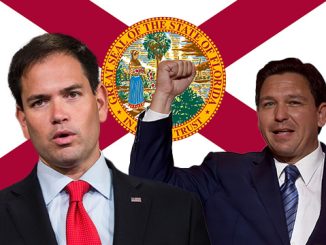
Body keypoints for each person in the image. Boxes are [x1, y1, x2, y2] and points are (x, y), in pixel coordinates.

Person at [0, 33, 210, 245]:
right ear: (23, 121)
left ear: (100, 103)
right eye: (39, 102)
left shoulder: (178, 209)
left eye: (72, 94)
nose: (58, 115)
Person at [129, 58, 326, 245]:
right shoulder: (224, 173)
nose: (280, 115)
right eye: (269, 104)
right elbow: (149, 188)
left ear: (321, 114)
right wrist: (164, 96)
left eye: (294, 103)